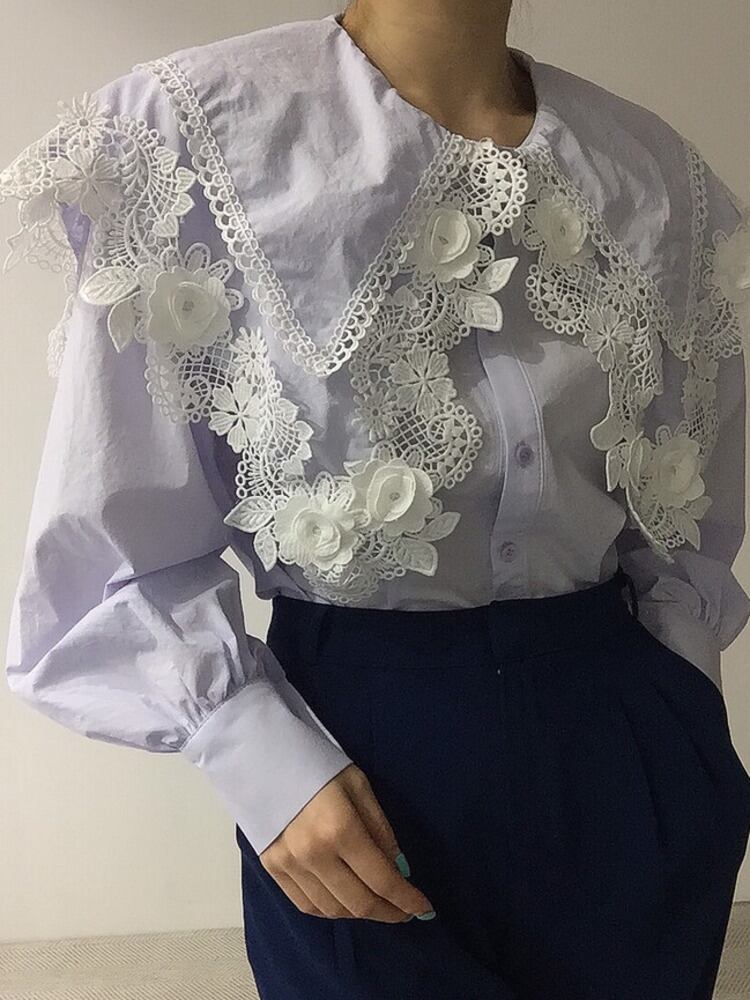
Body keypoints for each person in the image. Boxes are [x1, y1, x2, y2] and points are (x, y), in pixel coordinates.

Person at [2, 2, 750, 997]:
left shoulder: (651, 173)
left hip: (624, 746)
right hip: (355, 777)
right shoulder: (191, 135)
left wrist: (681, 725)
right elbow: (106, 553)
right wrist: (255, 754)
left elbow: (689, 507)